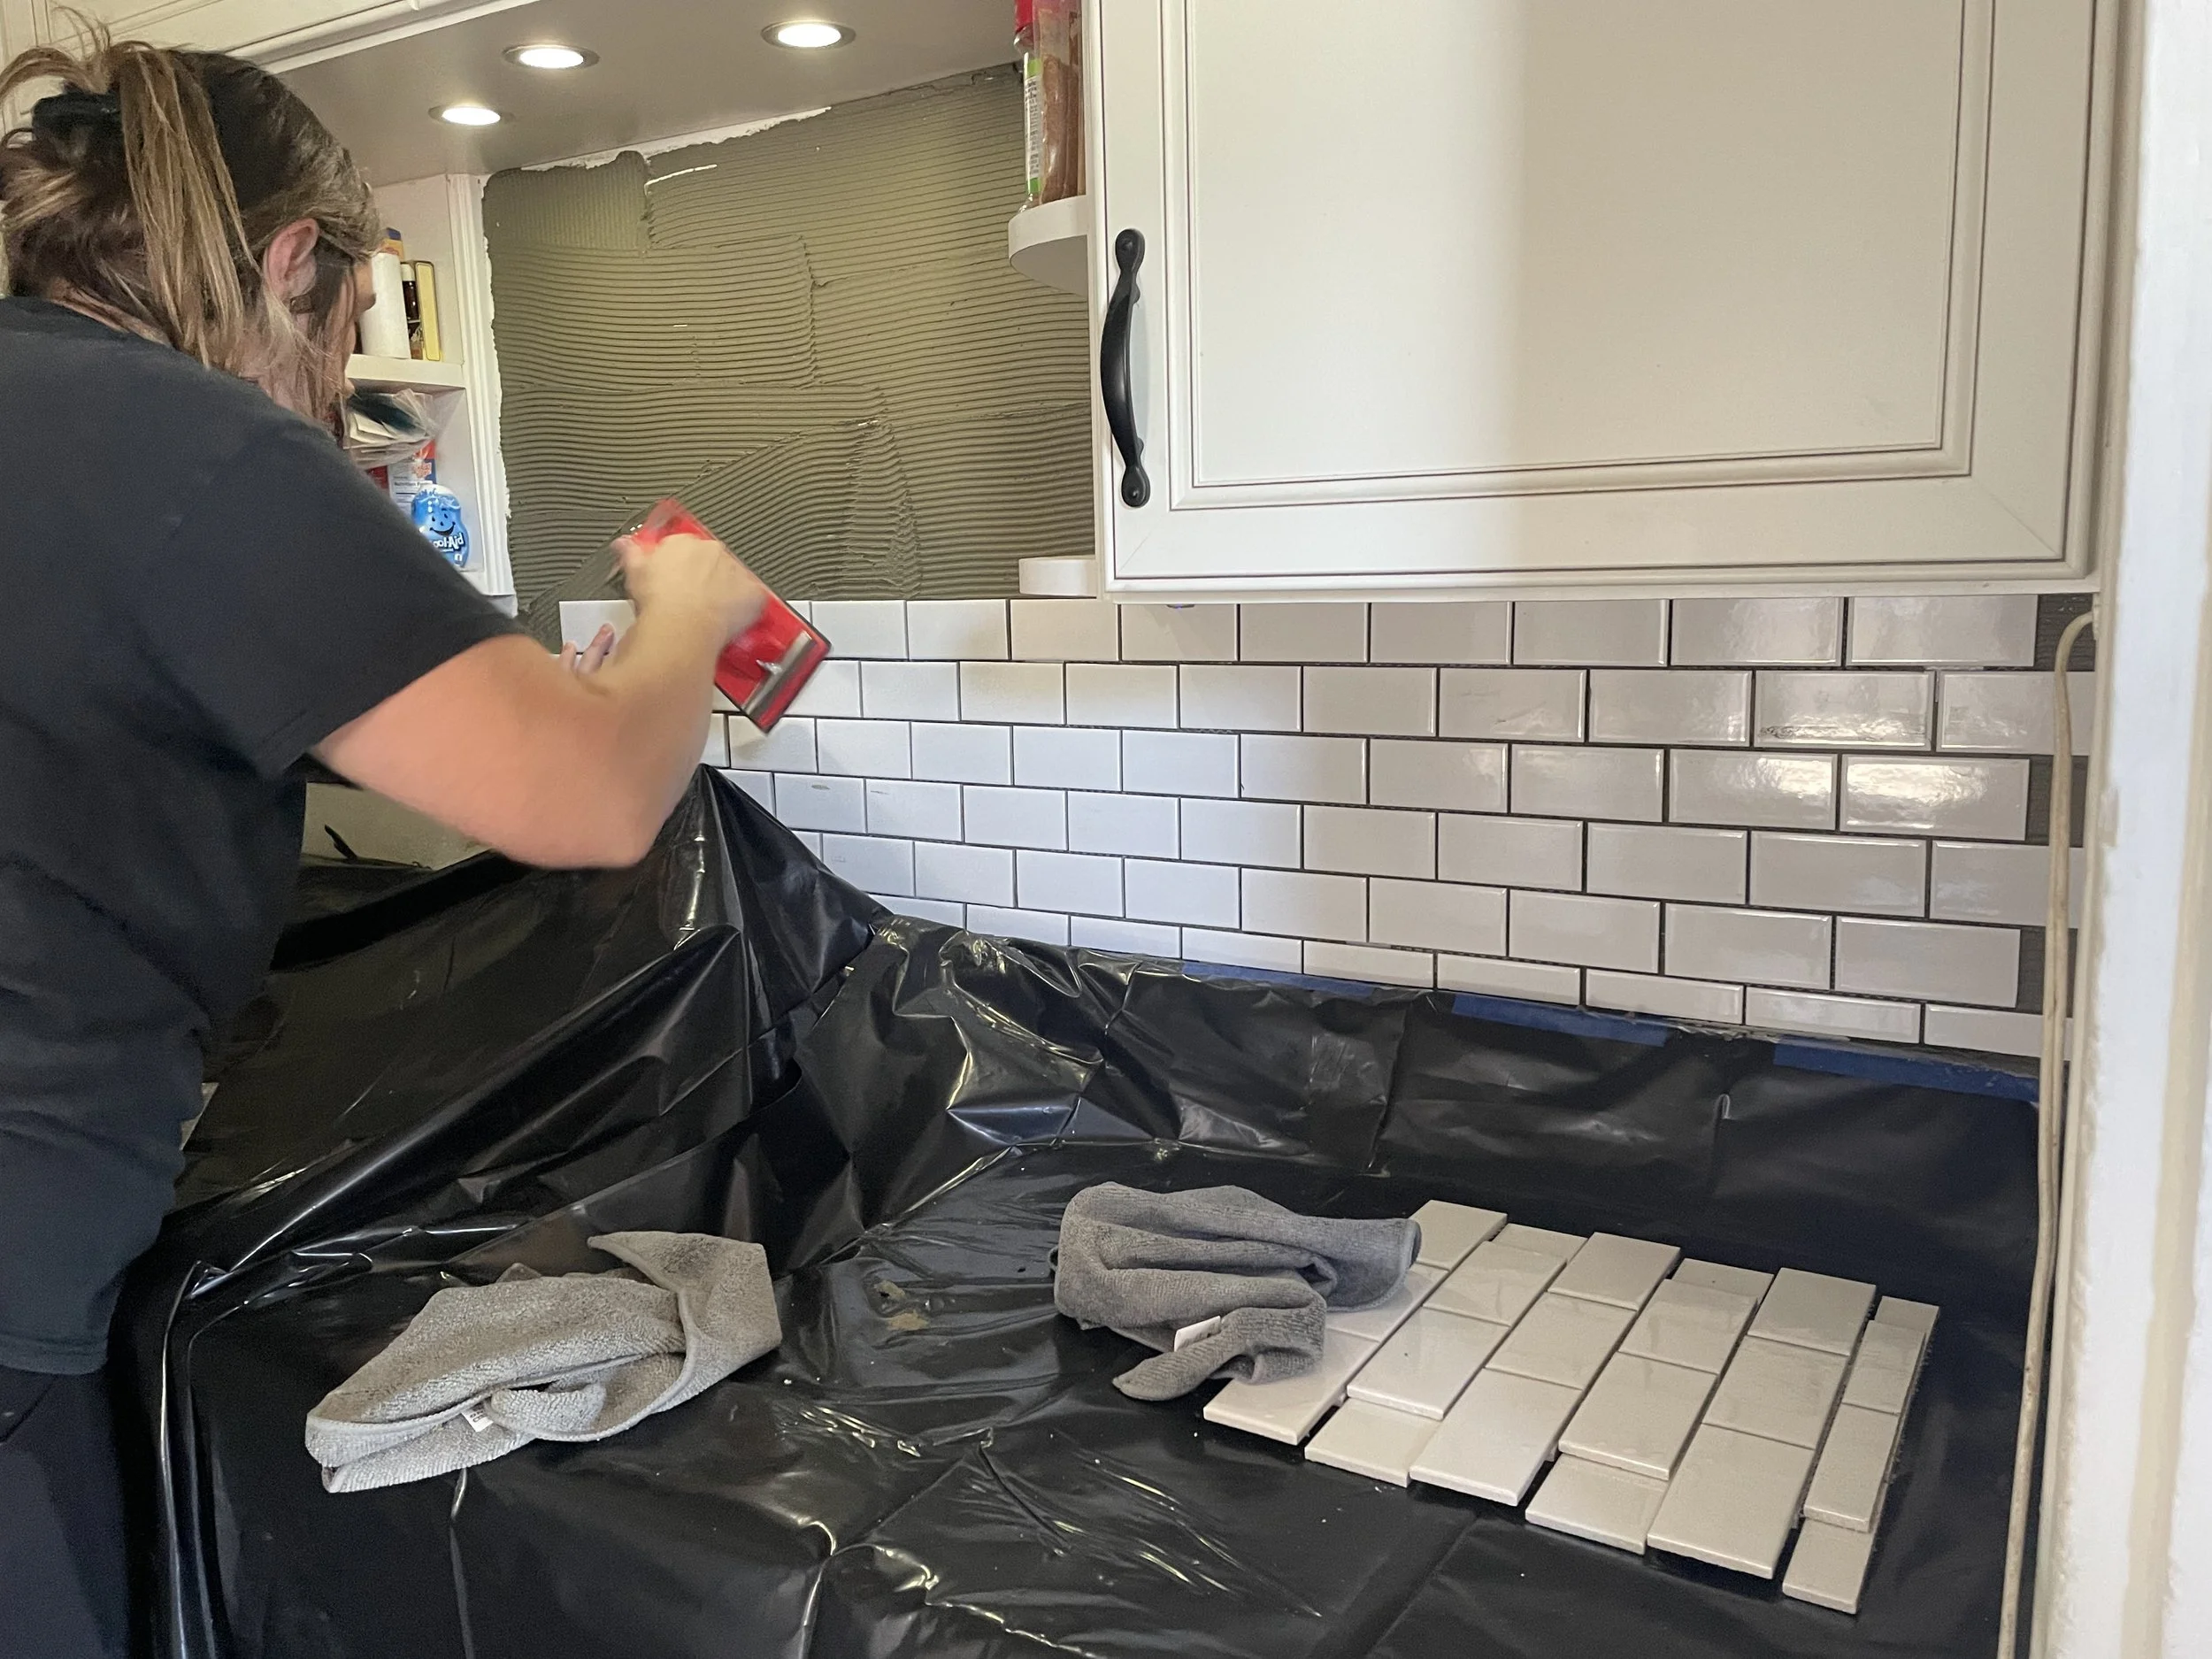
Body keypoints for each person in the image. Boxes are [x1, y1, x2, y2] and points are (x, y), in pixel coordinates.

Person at [0, 35, 767, 1657]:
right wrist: (688, 614)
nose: (329, 397)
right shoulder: (183, 436)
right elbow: (598, 799)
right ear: (299, 265)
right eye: (344, 340)